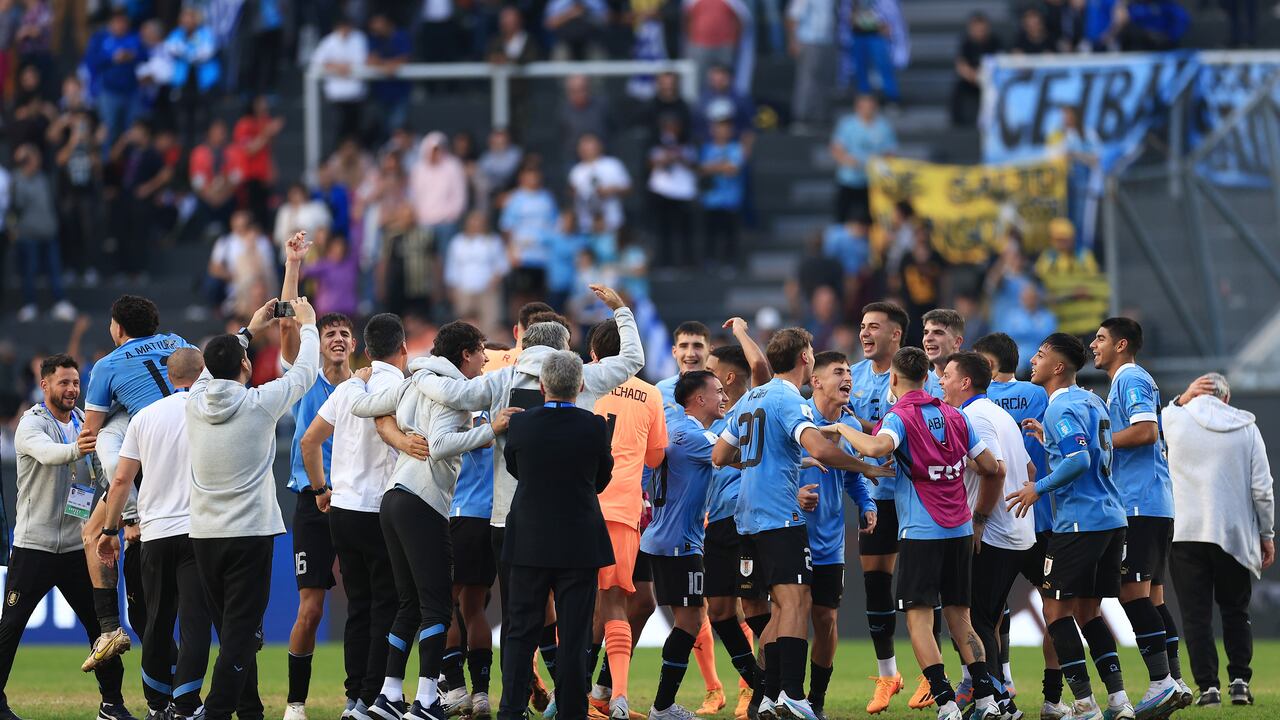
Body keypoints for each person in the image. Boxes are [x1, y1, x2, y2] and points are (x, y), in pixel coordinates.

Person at [408, 287, 643, 703]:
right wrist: (622, 311)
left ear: (525, 344)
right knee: (570, 623)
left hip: (511, 521)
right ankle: (570, 702)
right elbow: (633, 361)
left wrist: (421, 368)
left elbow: (454, 394)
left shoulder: (502, 379)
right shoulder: (582, 378)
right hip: (574, 522)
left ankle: (511, 705)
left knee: (519, 624)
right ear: (564, 349)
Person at [713, 328, 895, 720]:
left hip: (746, 519)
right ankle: (791, 695)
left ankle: (769, 696)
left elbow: (720, 454)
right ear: (805, 360)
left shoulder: (749, 397)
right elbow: (819, 448)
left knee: (780, 610)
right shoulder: (787, 398)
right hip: (781, 517)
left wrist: (758, 465)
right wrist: (866, 465)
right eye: (811, 352)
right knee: (796, 603)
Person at [351, 321, 521, 720]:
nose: (484, 358)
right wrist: (490, 430)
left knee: (409, 605)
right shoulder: (453, 393)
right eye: (480, 350)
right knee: (436, 607)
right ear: (465, 354)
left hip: (394, 498)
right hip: (422, 502)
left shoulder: (415, 379)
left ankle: (388, 697)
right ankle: (426, 700)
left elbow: (363, 406)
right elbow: (441, 447)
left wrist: (356, 381)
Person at [824, 347, 1003, 720]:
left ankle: (946, 702)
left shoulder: (899, 416)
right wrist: (949, 463)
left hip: (922, 531)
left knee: (918, 619)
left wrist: (842, 427)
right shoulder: (954, 415)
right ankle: (987, 700)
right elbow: (989, 465)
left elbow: (876, 447)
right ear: (929, 378)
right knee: (961, 617)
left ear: (892, 380)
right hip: (959, 528)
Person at [184, 295, 318, 720]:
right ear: (245, 368)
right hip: (250, 535)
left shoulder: (194, 400)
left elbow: (210, 367)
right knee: (242, 632)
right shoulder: (260, 404)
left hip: (204, 534)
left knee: (230, 630)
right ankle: (218, 709)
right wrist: (310, 325)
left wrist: (248, 330)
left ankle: (249, 708)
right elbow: (306, 373)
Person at [1006, 333, 1134, 720]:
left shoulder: (1059, 407)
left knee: (1056, 613)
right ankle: (1118, 700)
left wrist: (1037, 488)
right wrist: (1050, 442)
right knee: (1089, 612)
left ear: (1057, 367)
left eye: (1041, 355)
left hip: (1080, 522)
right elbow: (1091, 451)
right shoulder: (1092, 399)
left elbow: (1078, 460)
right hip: (1112, 518)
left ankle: (1083, 705)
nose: (1033, 360)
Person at [0, 354, 132, 720]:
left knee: (101, 628)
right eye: (64, 382)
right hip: (34, 547)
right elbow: (48, 454)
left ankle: (112, 705)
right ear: (45, 385)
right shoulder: (32, 423)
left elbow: (94, 480)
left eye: (76, 382)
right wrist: (80, 448)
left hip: (77, 548)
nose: (72, 389)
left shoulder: (80, 423)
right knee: (10, 626)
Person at [78, 295, 196, 673]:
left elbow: (89, 433)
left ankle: (110, 627)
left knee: (92, 533)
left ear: (117, 327)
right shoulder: (178, 342)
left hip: (150, 462)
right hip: (194, 447)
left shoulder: (106, 365)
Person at [94, 348, 213, 720]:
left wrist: (110, 529)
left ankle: (157, 706)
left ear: (169, 375)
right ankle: (186, 706)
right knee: (194, 624)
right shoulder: (210, 410)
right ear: (202, 372)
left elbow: (120, 479)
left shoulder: (143, 418)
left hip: (153, 533)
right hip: (197, 531)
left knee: (157, 622)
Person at [300, 314, 409, 719]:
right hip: (380, 509)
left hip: (342, 509)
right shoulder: (398, 386)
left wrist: (320, 490)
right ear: (403, 348)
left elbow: (309, 441)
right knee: (387, 605)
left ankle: (354, 698)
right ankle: (375, 697)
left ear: (365, 349)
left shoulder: (349, 387)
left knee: (358, 607)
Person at [499, 351, 617, 720]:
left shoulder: (520, 426)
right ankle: (571, 712)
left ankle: (511, 710)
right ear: (580, 386)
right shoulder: (595, 427)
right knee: (575, 635)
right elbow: (602, 479)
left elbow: (515, 469)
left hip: (529, 541)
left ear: (541, 385)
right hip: (579, 543)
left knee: (520, 631)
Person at [276, 233, 364, 720]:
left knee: (362, 604)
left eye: (342, 335)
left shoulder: (366, 386)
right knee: (310, 608)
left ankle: (357, 697)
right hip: (312, 501)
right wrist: (294, 264)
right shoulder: (304, 376)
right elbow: (288, 321)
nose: (334, 339)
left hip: (353, 500)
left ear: (354, 345)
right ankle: (295, 704)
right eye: (328, 333)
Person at [1089, 318, 1190, 714]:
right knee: (1153, 597)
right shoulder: (1128, 380)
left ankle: (1161, 682)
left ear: (1122, 344)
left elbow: (1146, 431)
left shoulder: (1130, 378)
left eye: (1100, 338)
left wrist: (1099, 444)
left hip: (1138, 504)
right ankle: (1176, 681)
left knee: (1132, 593)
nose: (1093, 345)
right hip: (1154, 502)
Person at [845, 301, 938, 714]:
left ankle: (929, 677)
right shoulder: (853, 375)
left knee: (924, 589)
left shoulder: (924, 379)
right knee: (876, 585)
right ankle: (888, 676)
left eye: (874, 327)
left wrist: (873, 434)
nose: (865, 334)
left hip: (917, 497)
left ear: (896, 334)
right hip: (875, 498)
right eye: (862, 326)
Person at [1164, 373, 1274, 707]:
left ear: (1194, 395)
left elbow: (1152, 422)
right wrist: (1266, 534)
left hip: (1185, 533)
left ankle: (1208, 688)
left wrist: (1180, 398)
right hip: (1233, 533)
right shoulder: (1246, 428)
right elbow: (1262, 489)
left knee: (1195, 615)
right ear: (1225, 399)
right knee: (1235, 610)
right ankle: (1239, 682)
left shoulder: (1173, 420)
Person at [937, 351, 1034, 720]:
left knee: (974, 619)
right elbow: (1028, 466)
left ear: (965, 382)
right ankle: (998, 699)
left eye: (947, 375)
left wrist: (978, 519)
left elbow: (996, 471)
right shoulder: (999, 414)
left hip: (993, 533)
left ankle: (998, 703)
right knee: (986, 619)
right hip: (1017, 530)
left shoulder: (972, 415)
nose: (941, 381)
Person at [587, 319, 668, 720]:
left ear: (595, 355)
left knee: (576, 603)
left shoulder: (584, 385)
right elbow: (656, 457)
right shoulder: (651, 394)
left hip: (579, 508)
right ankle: (617, 696)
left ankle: (573, 695)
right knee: (615, 604)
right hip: (622, 510)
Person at [971, 332, 1057, 712]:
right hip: (1043, 517)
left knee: (984, 612)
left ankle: (993, 687)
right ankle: (1059, 696)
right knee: (1056, 605)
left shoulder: (977, 407)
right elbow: (1036, 463)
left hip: (999, 520)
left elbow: (993, 469)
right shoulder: (1040, 395)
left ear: (986, 367)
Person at [639, 370, 727, 720]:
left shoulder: (674, 428)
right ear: (699, 399)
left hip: (664, 538)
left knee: (689, 619)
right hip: (679, 543)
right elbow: (733, 457)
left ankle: (651, 701)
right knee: (691, 620)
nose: (724, 397)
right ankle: (661, 706)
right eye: (718, 391)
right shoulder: (694, 436)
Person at [793, 352, 876, 720]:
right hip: (790, 536)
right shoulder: (795, 416)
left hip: (829, 541)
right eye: (839, 372)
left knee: (826, 619)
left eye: (848, 373)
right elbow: (770, 468)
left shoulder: (848, 424)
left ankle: (816, 701)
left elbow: (853, 475)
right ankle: (774, 693)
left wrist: (866, 503)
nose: (848, 378)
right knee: (785, 615)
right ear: (817, 381)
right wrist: (793, 494)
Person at [703, 340, 774, 719]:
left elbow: (761, 370)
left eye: (711, 368)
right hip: (716, 522)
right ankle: (762, 684)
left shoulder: (754, 405)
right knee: (718, 612)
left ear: (727, 376)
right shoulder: (709, 412)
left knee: (753, 607)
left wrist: (745, 333)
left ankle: (771, 687)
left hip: (745, 518)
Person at [12, 142, 74, 322]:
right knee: (29, 272)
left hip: (49, 233)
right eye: (31, 158)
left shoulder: (44, 178)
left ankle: (60, 302)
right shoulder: (16, 180)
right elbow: (17, 205)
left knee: (55, 270)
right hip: (28, 235)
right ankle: (30, 305)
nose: (36, 162)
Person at [830, 95, 896, 224]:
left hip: (872, 181)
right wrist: (847, 160)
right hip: (849, 179)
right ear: (857, 107)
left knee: (871, 216)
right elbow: (836, 148)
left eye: (871, 107)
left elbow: (890, 152)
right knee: (842, 214)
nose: (868, 110)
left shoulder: (883, 127)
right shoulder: (848, 125)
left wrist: (880, 164)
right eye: (864, 107)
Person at [310, 16, 368, 143]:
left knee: (355, 132)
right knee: (338, 131)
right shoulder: (329, 41)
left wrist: (338, 66)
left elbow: (361, 62)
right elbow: (316, 62)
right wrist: (337, 66)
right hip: (336, 96)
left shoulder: (359, 39)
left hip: (355, 95)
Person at [569, 134, 631, 233]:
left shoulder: (613, 164)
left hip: (612, 223)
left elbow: (628, 188)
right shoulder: (576, 171)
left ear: (599, 146)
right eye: (583, 147)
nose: (586, 150)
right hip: (586, 225)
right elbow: (573, 196)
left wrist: (611, 190)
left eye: (589, 146)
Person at [950, 12, 1000, 127]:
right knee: (958, 89)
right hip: (972, 80)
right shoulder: (966, 44)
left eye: (982, 29)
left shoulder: (995, 42)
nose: (979, 31)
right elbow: (961, 65)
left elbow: (1000, 62)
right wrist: (975, 77)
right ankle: (958, 124)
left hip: (991, 81)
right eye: (976, 29)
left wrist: (985, 77)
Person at [921, 309, 965, 382]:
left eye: (938, 333)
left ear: (957, 342)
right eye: (926, 333)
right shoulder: (919, 385)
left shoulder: (977, 385)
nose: (928, 338)